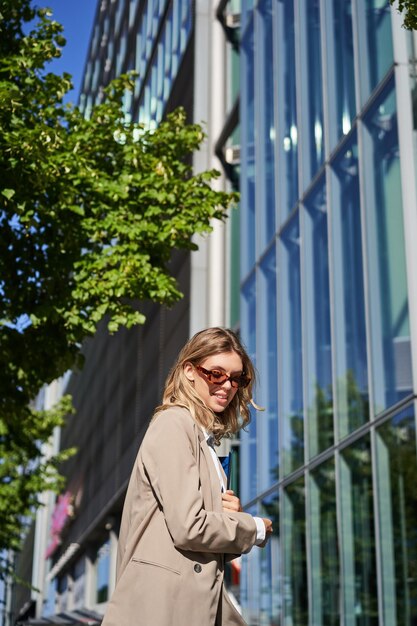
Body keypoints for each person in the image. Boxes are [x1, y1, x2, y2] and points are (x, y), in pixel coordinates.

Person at [101, 327, 273, 626]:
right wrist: (254, 528)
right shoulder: (173, 424)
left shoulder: (203, 441)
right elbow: (188, 526)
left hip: (188, 605)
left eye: (237, 378)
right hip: (160, 609)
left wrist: (230, 518)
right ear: (190, 371)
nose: (227, 386)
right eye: (216, 374)